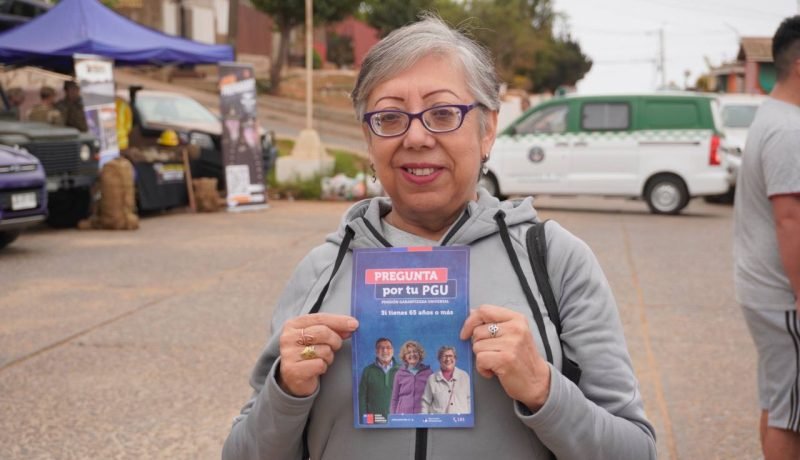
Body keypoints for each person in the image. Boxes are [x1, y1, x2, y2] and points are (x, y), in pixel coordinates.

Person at [223, 14, 655, 460]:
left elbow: (636, 450)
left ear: (487, 129)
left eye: (443, 114)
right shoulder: (320, 269)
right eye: (390, 117)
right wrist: (285, 392)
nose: (416, 136)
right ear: (369, 139)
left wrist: (543, 389)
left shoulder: (553, 260)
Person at [733, 15, 800, 460]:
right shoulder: (790, 129)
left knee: (779, 400)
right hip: (784, 296)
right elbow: (790, 219)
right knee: (790, 414)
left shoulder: (773, 115)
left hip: (766, 289)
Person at [421, 346, 470, 414]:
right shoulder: (432, 379)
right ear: (439, 359)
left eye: (450, 356)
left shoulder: (464, 376)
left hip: (461, 420)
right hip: (439, 420)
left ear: (455, 359)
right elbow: (425, 403)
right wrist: (424, 419)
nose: (448, 359)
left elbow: (469, 400)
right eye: (444, 356)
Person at [358, 337, 399, 419]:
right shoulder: (368, 371)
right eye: (381, 348)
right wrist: (366, 420)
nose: (385, 350)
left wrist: (404, 420)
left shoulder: (403, 370)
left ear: (393, 351)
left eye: (388, 347)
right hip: (375, 420)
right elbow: (362, 398)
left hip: (397, 420)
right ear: (376, 351)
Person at [389, 340, 432, 414]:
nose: (412, 354)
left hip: (422, 415)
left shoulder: (428, 373)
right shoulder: (399, 374)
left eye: (415, 352)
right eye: (408, 353)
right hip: (403, 415)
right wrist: (393, 417)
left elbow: (433, 397)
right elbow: (394, 399)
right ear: (405, 357)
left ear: (420, 354)